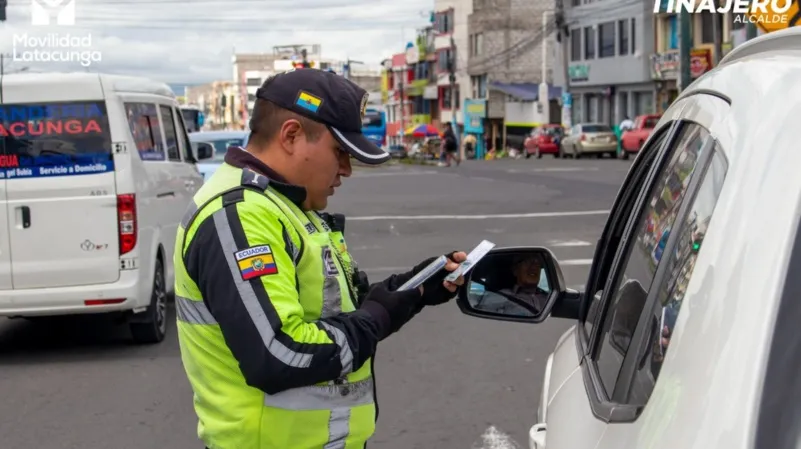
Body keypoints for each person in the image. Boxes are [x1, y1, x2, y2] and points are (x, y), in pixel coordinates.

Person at [173, 68, 467, 449]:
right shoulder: (240, 216)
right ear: (291, 136)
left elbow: (330, 313)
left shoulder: (288, 205)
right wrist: (378, 317)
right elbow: (280, 353)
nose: (345, 169)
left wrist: (413, 291)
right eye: (340, 152)